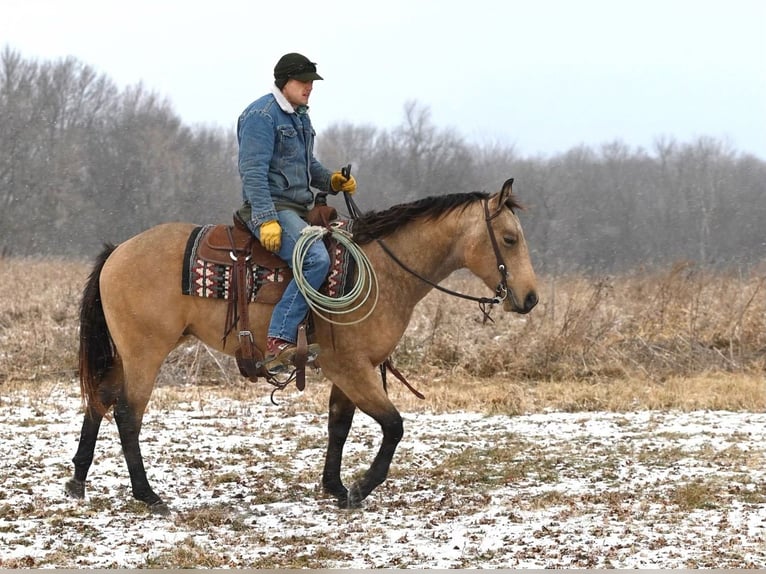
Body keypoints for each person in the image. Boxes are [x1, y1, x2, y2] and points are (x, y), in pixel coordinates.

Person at [236, 52, 357, 368]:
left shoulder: (300, 115)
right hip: (273, 208)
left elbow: (306, 165)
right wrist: (266, 220)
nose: (309, 88)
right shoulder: (260, 117)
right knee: (316, 258)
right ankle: (278, 339)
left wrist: (331, 181)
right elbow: (253, 172)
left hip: (298, 208)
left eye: (311, 82)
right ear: (284, 82)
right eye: (303, 82)